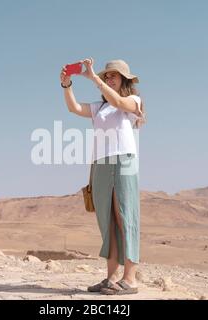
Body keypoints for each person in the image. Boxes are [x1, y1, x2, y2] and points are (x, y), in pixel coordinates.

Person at [60, 58, 146, 295]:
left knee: (125, 216)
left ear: (125, 80)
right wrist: (67, 85)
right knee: (107, 221)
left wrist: (94, 78)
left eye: (113, 76)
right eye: (106, 75)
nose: (109, 78)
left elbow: (118, 101)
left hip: (123, 161)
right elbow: (74, 108)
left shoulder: (132, 101)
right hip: (100, 164)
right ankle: (112, 277)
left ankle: (130, 279)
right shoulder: (100, 107)